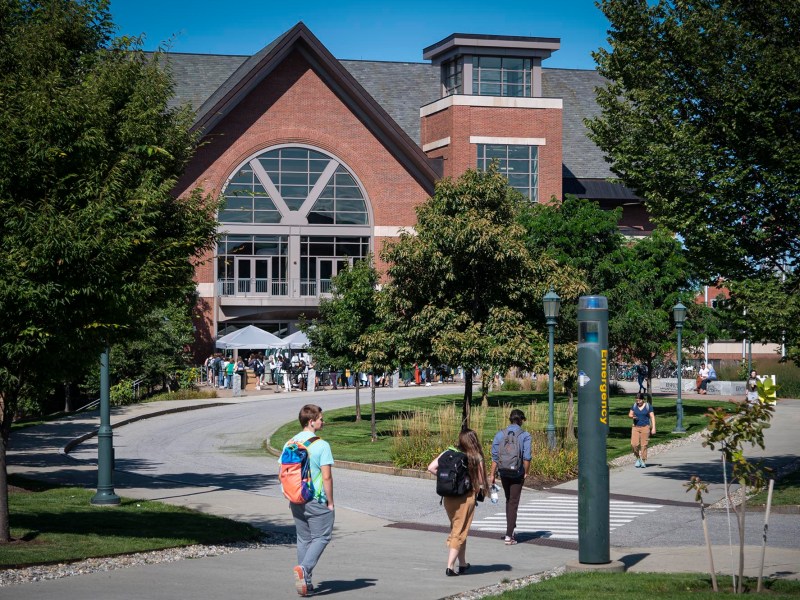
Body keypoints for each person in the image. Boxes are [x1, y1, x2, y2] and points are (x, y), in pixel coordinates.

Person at [284, 405, 335, 597]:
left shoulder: (290, 442)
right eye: (320, 418)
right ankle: (304, 570)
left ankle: (305, 581)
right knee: (322, 536)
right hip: (316, 498)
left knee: (303, 538)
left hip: (296, 497)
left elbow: (283, 472)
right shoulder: (322, 445)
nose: (323, 421)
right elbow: (327, 477)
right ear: (311, 422)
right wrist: (330, 502)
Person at [427, 429, 487, 577]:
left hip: (448, 497)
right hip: (465, 497)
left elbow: (431, 467)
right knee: (459, 531)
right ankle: (450, 567)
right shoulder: (475, 456)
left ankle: (463, 564)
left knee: (459, 528)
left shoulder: (449, 452)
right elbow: (481, 480)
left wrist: (450, 480)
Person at [489, 409, 532, 545]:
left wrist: (492, 474)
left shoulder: (500, 434)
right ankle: (509, 535)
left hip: (503, 471)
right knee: (513, 502)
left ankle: (510, 530)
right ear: (521, 420)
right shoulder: (525, 435)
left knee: (509, 500)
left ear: (510, 419)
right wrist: (526, 472)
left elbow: (495, 457)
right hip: (517, 472)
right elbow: (527, 457)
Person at [629, 393, 656, 468]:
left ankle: (643, 460)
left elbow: (652, 417)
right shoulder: (634, 406)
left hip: (645, 427)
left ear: (643, 400)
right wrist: (632, 417)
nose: (638, 402)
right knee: (634, 444)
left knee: (644, 445)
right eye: (637, 400)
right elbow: (630, 414)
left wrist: (653, 428)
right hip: (635, 427)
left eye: (639, 400)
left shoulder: (648, 406)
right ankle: (638, 458)